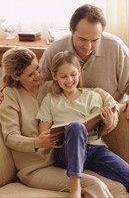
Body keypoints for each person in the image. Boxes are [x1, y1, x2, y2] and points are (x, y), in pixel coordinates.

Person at [0, 46, 117, 198]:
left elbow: (92, 92)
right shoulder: (10, 96)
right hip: (35, 169)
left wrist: (115, 110)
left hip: (58, 160)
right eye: (30, 74)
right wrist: (36, 142)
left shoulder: (48, 88)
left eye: (37, 69)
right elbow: (10, 137)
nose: (38, 76)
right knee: (94, 184)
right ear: (15, 76)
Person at [36, 50, 129, 198]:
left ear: (79, 72)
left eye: (73, 74)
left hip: (94, 149)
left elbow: (100, 132)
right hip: (66, 152)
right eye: (63, 76)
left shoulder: (93, 96)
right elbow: (44, 133)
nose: (69, 80)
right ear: (54, 76)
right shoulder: (50, 100)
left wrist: (108, 122)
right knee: (76, 126)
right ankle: (75, 188)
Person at [39, 4, 129, 119]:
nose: (88, 47)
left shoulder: (116, 47)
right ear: (71, 30)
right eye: (82, 39)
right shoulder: (55, 49)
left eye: (95, 40)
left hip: (110, 115)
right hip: (66, 118)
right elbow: (40, 82)